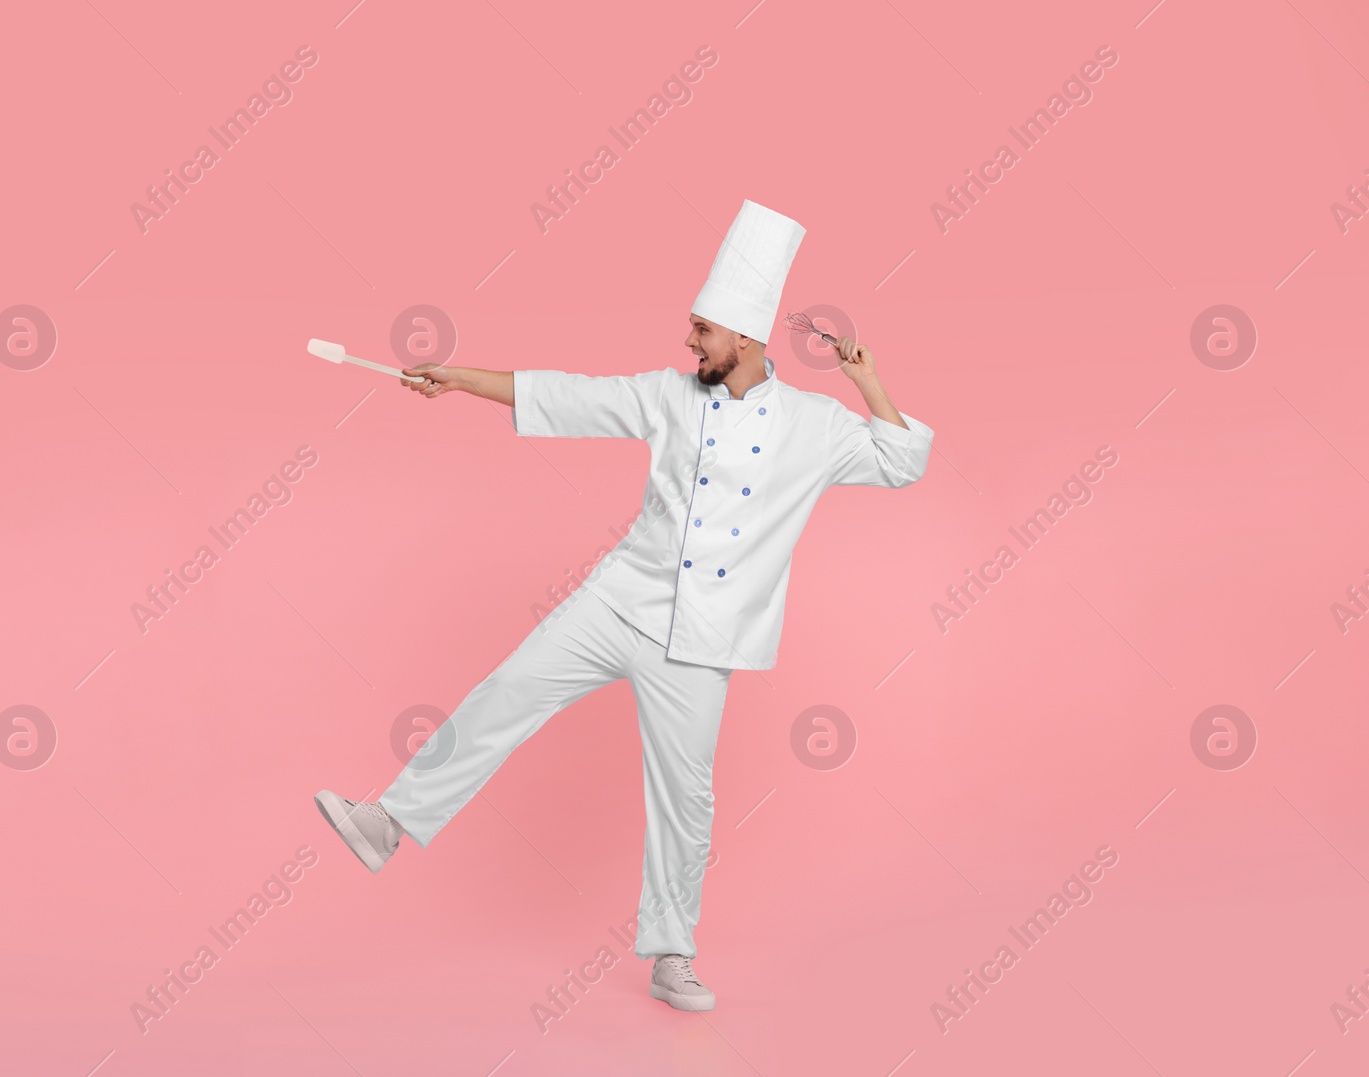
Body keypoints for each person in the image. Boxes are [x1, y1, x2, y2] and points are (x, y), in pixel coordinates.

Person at [314, 199, 935, 1012]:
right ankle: (387, 822)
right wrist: (459, 378)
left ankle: (672, 954)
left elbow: (904, 459)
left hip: (705, 642)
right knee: (505, 691)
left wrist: (867, 380)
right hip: (618, 601)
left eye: (702, 331)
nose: (689, 342)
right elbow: (571, 397)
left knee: (686, 799)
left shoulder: (814, 426)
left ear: (744, 338)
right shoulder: (669, 395)